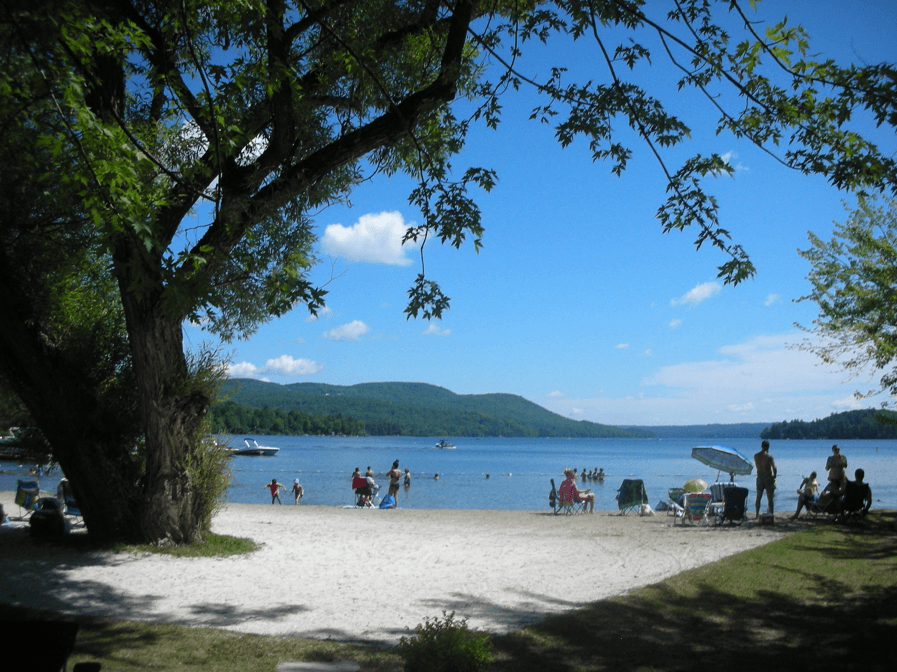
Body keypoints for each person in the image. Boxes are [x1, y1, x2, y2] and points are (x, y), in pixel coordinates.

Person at [754, 440, 777, 518]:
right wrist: (774, 475)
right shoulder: (769, 457)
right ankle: (771, 513)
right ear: (767, 447)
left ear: (761, 446)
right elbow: (774, 468)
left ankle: (757, 514)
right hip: (767, 477)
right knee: (770, 498)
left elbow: (757, 465)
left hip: (759, 477)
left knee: (758, 497)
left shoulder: (756, 456)